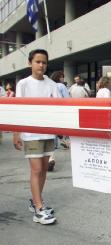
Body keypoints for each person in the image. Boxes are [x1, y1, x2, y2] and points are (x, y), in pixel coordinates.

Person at [13, 49, 60, 225]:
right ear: (30, 63)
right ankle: (39, 210)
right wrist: (17, 132)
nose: (41, 65)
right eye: (38, 61)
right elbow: (17, 109)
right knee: (36, 170)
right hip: (30, 132)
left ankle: (36, 201)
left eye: (44, 62)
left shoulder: (52, 84)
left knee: (44, 169)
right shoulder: (23, 84)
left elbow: (57, 107)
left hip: (48, 131)